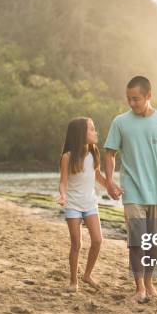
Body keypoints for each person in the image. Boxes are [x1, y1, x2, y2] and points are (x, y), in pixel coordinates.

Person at [104, 76, 157, 303]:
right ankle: (139, 286)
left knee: (154, 243)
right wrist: (110, 182)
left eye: (136, 99)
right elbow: (110, 153)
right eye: (129, 99)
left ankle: (149, 280)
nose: (132, 103)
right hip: (132, 191)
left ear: (149, 96)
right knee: (137, 242)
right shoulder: (120, 122)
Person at [58, 117, 107, 292]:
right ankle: (73, 281)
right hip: (72, 204)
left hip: (90, 203)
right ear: (80, 134)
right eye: (91, 129)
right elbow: (63, 182)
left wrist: (111, 186)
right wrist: (62, 195)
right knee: (76, 244)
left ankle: (87, 275)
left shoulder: (94, 152)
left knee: (97, 240)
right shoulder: (68, 157)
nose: (95, 132)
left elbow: (98, 176)